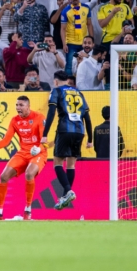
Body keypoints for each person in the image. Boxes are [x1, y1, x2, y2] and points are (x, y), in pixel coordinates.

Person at [0, 96, 46, 220]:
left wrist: (39, 148)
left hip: (38, 153)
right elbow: (6, 140)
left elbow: (44, 140)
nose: (18, 108)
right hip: (23, 153)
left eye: (21, 105)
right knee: (3, 176)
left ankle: (28, 210)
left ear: (28, 106)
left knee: (29, 174)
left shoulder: (39, 117)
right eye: (16, 105)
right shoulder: (14, 120)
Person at [42, 70, 92, 210]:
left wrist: (45, 134)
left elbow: (51, 112)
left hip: (65, 129)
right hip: (79, 132)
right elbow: (87, 118)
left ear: (56, 81)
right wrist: (90, 139)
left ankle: (68, 192)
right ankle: (65, 196)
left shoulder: (56, 91)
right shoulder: (79, 93)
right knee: (71, 165)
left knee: (57, 163)